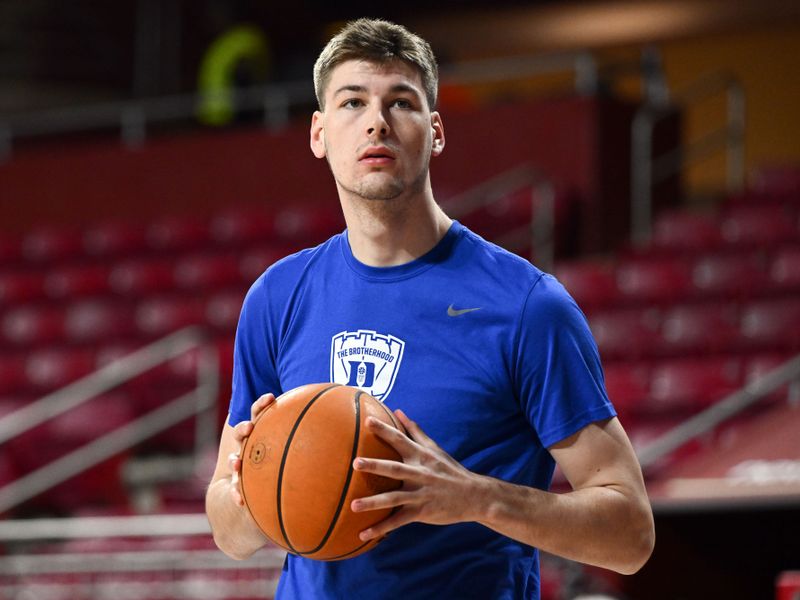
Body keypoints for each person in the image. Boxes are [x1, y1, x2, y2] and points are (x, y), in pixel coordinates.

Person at [206, 17, 655, 599]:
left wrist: (476, 496)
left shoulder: (526, 306)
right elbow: (227, 527)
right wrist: (261, 493)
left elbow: (631, 534)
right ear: (318, 133)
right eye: (352, 102)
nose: (376, 121)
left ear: (436, 131)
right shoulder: (277, 297)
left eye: (401, 102)